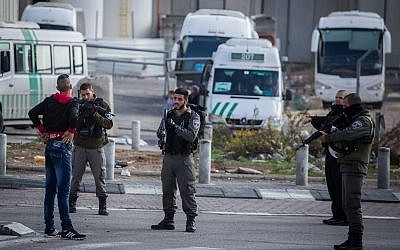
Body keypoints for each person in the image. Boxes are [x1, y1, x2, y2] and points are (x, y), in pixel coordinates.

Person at [28, 74, 86, 240]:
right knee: (63, 190)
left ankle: (49, 227)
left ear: (57, 88)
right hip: (62, 146)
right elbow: (74, 117)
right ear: (70, 87)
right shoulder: (72, 102)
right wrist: (72, 131)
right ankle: (67, 227)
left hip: (50, 145)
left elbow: (32, 113)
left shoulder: (49, 101)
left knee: (50, 190)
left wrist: (43, 131)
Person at [322, 93, 375, 250]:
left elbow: (348, 134)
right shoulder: (353, 119)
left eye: (345, 106)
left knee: (352, 205)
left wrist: (329, 138)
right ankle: (351, 239)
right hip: (346, 165)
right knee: (346, 204)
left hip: (355, 166)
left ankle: (356, 241)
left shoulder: (363, 121)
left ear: (353, 106)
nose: (343, 109)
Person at [151, 87, 200, 233]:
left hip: (184, 159)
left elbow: (191, 136)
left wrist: (176, 127)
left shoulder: (193, 116)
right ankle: (168, 219)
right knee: (167, 189)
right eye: (174, 98)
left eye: (179, 99)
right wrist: (161, 133)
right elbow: (160, 131)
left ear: (186, 100)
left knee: (187, 190)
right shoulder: (168, 114)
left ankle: (190, 220)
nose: (176, 101)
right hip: (169, 157)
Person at [305, 90, 348, 226]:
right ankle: (336, 215)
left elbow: (330, 123)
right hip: (331, 152)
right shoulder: (334, 111)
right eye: (336, 97)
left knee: (339, 186)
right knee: (332, 185)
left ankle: (343, 216)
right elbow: (326, 123)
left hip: (341, 155)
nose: (338, 100)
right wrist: (313, 119)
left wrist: (316, 120)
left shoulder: (346, 114)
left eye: (341, 98)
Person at [69, 83, 113, 216]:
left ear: (92, 92)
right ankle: (72, 203)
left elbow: (109, 124)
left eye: (87, 94)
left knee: (100, 177)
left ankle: (102, 205)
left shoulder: (102, 105)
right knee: (76, 176)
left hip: (96, 147)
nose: (85, 97)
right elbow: (70, 121)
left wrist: (94, 114)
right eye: (83, 95)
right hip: (80, 146)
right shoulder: (77, 104)